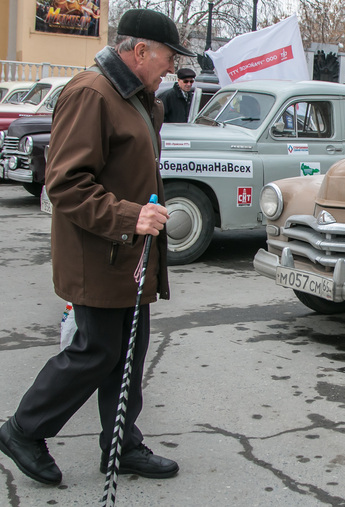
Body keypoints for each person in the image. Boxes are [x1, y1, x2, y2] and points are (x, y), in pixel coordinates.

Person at [0, 8, 193, 486]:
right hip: (99, 257)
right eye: (168, 56)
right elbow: (65, 185)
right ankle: (24, 430)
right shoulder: (91, 93)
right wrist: (132, 216)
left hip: (129, 257)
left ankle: (122, 443)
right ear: (140, 51)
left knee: (128, 350)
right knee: (96, 351)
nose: (172, 67)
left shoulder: (141, 98)